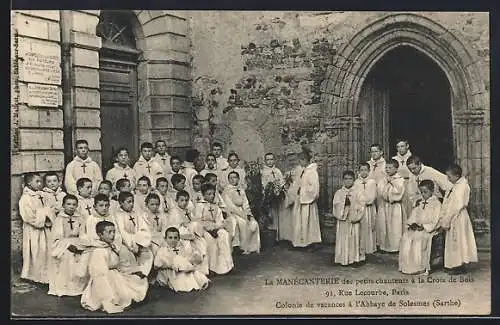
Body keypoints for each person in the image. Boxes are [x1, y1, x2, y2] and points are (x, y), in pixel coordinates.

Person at [80, 220, 148, 314]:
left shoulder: (110, 246)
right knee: (123, 296)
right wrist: (106, 300)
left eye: (114, 232)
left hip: (115, 276)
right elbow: (99, 276)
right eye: (109, 232)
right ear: (100, 235)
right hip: (104, 281)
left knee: (137, 283)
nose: (112, 235)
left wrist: (132, 272)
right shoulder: (99, 251)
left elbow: (118, 264)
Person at [439, 163, 478, 275]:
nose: (447, 178)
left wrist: (447, 219)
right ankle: (452, 264)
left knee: (459, 241)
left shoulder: (462, 186)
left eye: (449, 176)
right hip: (453, 215)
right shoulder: (454, 185)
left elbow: (457, 205)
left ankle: (459, 265)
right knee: (453, 242)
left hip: (458, 216)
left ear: (456, 176)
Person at [48, 194, 90, 296]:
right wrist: (67, 246)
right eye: (68, 204)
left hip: (78, 242)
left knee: (85, 255)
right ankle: (66, 288)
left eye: (74, 204)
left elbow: (83, 233)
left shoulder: (80, 217)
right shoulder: (59, 219)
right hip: (63, 244)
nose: (71, 207)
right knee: (68, 256)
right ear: (63, 205)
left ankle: (80, 287)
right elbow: (56, 238)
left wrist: (83, 245)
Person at [398, 180, 441, 275]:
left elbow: (436, 220)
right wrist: (411, 224)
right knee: (406, 238)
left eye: (425, 192)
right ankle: (407, 266)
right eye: (421, 192)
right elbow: (413, 215)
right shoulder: (420, 203)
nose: (423, 194)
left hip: (428, 229)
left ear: (432, 191)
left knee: (418, 240)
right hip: (417, 228)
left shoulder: (436, 204)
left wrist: (424, 226)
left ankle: (419, 266)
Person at [19, 172, 54, 284]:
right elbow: (28, 216)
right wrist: (43, 215)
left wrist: (48, 214)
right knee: (35, 251)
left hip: (44, 228)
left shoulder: (42, 195)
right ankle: (34, 275)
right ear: (29, 183)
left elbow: (50, 208)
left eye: (40, 181)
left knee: (45, 250)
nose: (40, 184)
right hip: (33, 230)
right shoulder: (25, 198)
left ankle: (46, 275)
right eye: (37, 181)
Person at [192, 183, 234, 275]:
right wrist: (209, 230)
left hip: (215, 227)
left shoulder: (216, 206)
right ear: (203, 195)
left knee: (224, 235)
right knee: (211, 242)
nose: (211, 196)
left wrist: (217, 228)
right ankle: (211, 268)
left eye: (213, 194)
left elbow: (220, 220)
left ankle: (226, 265)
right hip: (204, 229)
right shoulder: (200, 206)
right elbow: (198, 221)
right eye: (209, 194)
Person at [153, 227, 210, 292]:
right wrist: (173, 263)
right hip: (170, 271)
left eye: (175, 238)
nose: (173, 240)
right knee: (181, 277)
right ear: (165, 239)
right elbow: (157, 263)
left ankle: (195, 282)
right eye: (170, 238)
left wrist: (187, 262)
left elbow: (187, 258)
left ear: (178, 239)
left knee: (193, 273)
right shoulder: (163, 249)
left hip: (183, 269)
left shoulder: (181, 248)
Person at [166, 190, 209, 275]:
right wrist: (185, 234)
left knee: (202, 243)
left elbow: (193, 221)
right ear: (176, 201)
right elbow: (174, 228)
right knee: (187, 246)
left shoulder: (187, 210)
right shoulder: (174, 212)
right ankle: (190, 269)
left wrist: (193, 229)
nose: (184, 203)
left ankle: (201, 271)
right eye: (182, 200)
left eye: (186, 200)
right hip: (180, 236)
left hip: (191, 234)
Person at [114, 192, 154, 278]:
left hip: (138, 241)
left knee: (148, 253)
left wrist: (139, 243)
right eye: (128, 202)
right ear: (121, 203)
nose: (131, 204)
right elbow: (122, 232)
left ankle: (143, 273)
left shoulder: (136, 213)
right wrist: (131, 245)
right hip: (126, 243)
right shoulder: (118, 215)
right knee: (128, 255)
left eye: (132, 201)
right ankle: (133, 275)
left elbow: (143, 228)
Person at [222, 171, 261, 254]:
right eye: (230, 178)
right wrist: (242, 215)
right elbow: (230, 205)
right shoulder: (227, 190)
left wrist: (248, 214)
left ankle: (251, 246)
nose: (233, 180)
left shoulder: (241, 189)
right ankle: (241, 247)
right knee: (241, 222)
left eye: (235, 177)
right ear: (228, 180)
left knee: (253, 223)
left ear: (238, 179)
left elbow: (245, 203)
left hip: (242, 211)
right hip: (232, 212)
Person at [332, 171, 365, 267]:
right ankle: (343, 259)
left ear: (354, 180)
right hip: (343, 220)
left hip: (353, 220)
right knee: (343, 239)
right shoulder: (339, 192)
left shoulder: (359, 192)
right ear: (343, 180)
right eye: (346, 179)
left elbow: (362, 205)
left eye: (350, 179)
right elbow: (335, 205)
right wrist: (343, 205)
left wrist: (355, 214)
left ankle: (355, 259)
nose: (348, 181)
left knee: (354, 239)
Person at [291, 147, 321, 249]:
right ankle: (301, 242)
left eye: (301, 159)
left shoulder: (312, 172)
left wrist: (303, 191)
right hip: (301, 200)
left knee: (309, 223)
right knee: (300, 222)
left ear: (306, 160)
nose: (300, 162)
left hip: (308, 202)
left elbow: (314, 188)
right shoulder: (304, 171)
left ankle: (311, 243)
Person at [376, 159, 406, 253]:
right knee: (383, 225)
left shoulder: (400, 180)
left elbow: (399, 192)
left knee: (395, 227)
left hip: (395, 206)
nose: (387, 170)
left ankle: (395, 247)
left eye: (390, 168)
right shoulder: (383, 179)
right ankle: (384, 246)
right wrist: (385, 189)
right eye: (386, 168)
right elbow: (380, 191)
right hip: (384, 205)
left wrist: (392, 183)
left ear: (396, 169)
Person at [278, 154, 303, 242]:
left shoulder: (300, 170)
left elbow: (299, 183)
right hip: (290, 194)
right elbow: (285, 183)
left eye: (293, 160)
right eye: (290, 160)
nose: (292, 162)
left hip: (298, 196)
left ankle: (297, 240)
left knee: (297, 219)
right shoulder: (288, 171)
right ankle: (290, 238)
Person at [353, 163, 377, 255]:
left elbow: (372, 196)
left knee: (370, 226)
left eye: (365, 170)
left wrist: (366, 201)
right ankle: (361, 247)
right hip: (360, 208)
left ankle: (370, 247)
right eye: (361, 170)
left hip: (369, 208)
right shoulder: (356, 182)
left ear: (369, 171)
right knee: (362, 227)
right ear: (358, 171)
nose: (363, 172)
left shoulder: (372, 182)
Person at [261, 152, 285, 241]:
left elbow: (281, 182)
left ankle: (280, 235)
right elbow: (263, 184)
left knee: (279, 214)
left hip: (277, 196)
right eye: (268, 160)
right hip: (269, 197)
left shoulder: (277, 171)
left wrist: (279, 189)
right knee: (271, 214)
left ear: (274, 160)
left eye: (271, 159)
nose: (270, 162)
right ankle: (272, 236)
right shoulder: (264, 172)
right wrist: (269, 191)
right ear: (265, 161)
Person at [392, 139, 413, 225]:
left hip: (409, 184)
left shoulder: (412, 158)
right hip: (398, 185)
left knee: (410, 206)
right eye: (398, 147)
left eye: (402, 146)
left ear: (407, 146)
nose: (400, 149)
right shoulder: (394, 159)